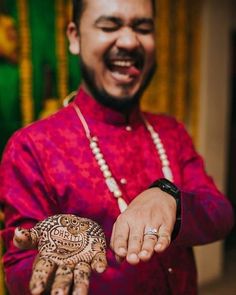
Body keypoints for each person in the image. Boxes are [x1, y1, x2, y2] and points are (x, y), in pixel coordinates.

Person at [0, 0, 234, 294]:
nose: (129, 41)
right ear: (75, 37)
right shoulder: (31, 147)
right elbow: (20, 267)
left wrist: (170, 199)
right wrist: (58, 258)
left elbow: (221, 213)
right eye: (109, 26)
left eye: (143, 27)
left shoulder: (171, 131)